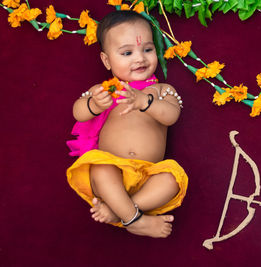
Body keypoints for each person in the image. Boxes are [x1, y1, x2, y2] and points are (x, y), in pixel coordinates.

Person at [66, 10, 188, 238]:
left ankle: (118, 211)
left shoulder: (162, 91)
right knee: (100, 168)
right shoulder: (106, 90)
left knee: (173, 178)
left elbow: (171, 115)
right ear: (107, 60)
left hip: (148, 174)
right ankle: (136, 220)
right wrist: (94, 104)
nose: (140, 58)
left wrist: (145, 102)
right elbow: (78, 112)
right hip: (112, 171)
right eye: (127, 52)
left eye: (148, 49)